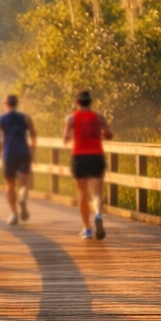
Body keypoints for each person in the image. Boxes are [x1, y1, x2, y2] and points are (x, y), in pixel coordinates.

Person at [64, 89, 114, 239]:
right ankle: (98, 215)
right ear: (90, 102)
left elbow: (65, 138)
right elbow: (109, 134)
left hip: (79, 156)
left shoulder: (71, 118)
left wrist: (72, 137)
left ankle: (87, 229)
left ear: (77, 103)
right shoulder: (98, 117)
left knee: (83, 194)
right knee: (97, 192)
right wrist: (103, 134)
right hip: (96, 156)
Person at [0, 93, 36, 225]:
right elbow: (33, 135)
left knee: (10, 185)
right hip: (23, 152)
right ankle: (22, 199)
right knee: (23, 183)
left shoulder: (1, 119)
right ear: (17, 104)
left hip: (8, 153)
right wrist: (32, 149)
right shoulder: (26, 118)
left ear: (5, 104)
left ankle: (14, 214)